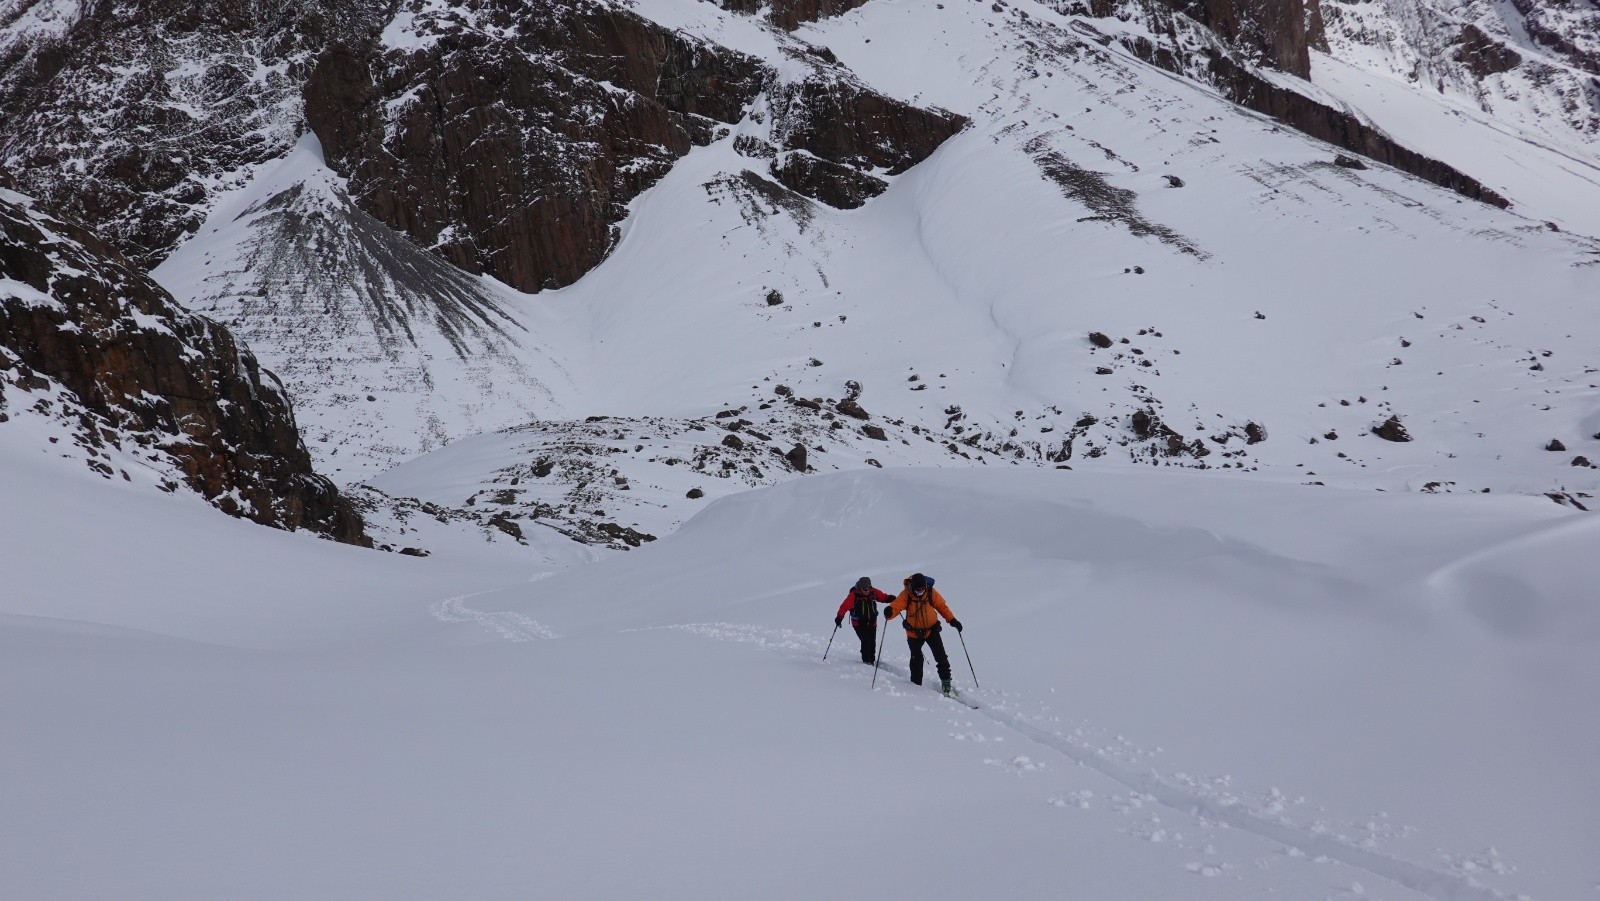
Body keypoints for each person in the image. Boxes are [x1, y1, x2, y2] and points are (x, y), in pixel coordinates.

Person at [884, 572, 963, 694]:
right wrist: (889, 612)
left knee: (941, 656)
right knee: (916, 660)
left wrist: (952, 620)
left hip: (932, 630)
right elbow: (896, 606)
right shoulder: (906, 594)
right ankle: (916, 686)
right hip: (913, 633)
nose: (920, 591)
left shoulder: (931, 592)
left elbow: (942, 607)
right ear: (913, 586)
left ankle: (946, 682)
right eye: (918, 589)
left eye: (922, 589)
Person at [836, 577, 893, 664]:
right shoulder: (854, 595)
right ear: (860, 588)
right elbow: (844, 606)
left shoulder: (873, 592)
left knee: (872, 642)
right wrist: (839, 617)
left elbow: (882, 597)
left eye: (868, 588)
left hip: (872, 622)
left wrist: (891, 598)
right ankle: (867, 662)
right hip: (859, 623)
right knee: (866, 640)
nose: (867, 591)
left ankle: (872, 661)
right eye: (865, 589)